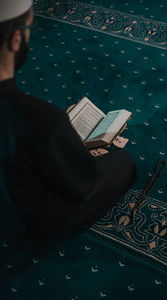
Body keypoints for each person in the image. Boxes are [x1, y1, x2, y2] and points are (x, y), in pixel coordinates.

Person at [0, 0, 138, 240]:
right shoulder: (39, 116)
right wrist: (79, 144)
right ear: (15, 40)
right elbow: (82, 183)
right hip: (28, 216)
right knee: (123, 162)